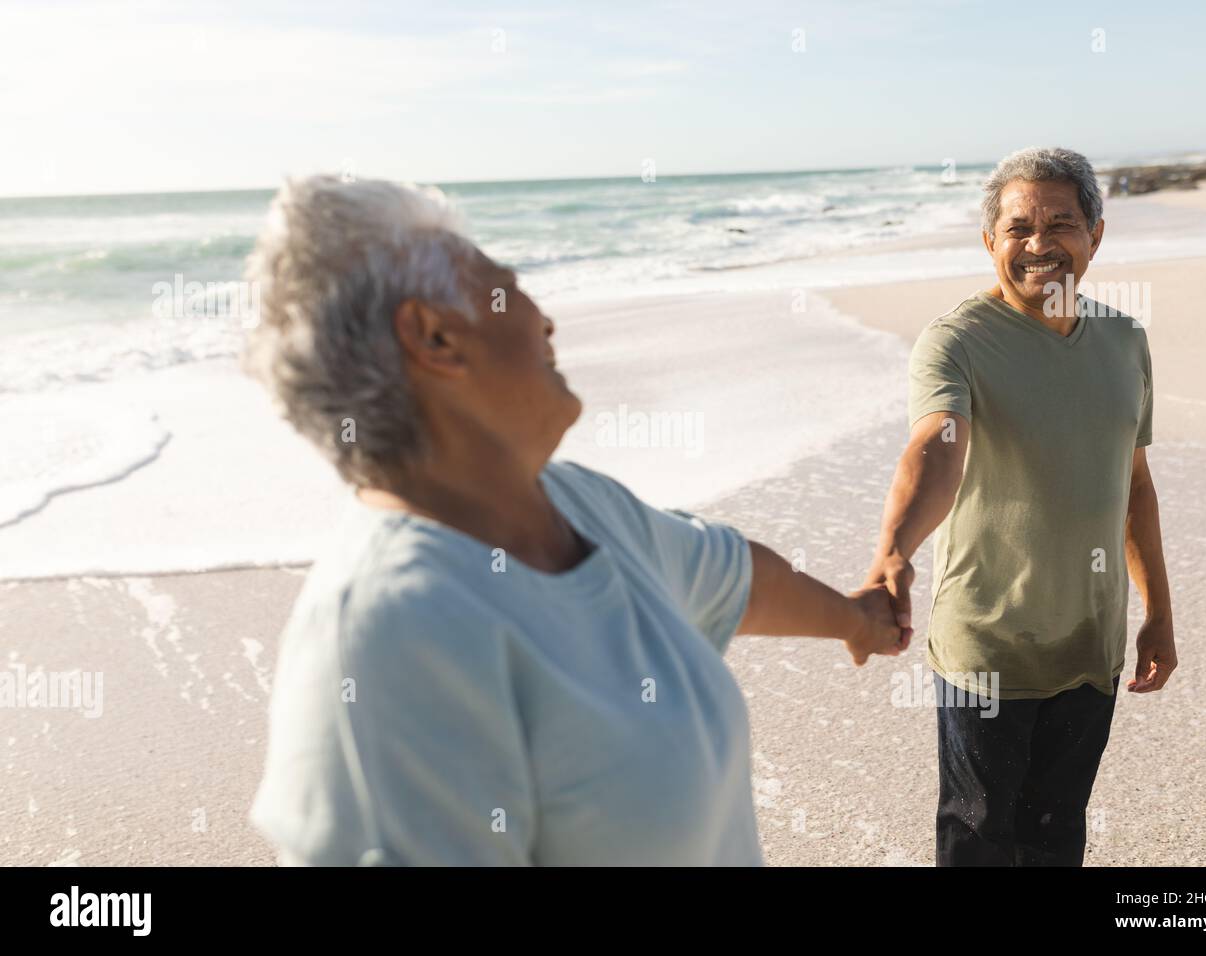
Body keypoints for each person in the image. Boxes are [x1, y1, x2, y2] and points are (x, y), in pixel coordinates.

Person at [243, 174, 904, 866]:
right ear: (434, 336)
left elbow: (733, 576)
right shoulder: (392, 630)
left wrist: (858, 620)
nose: (543, 320)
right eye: (504, 286)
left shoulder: (576, 504)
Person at [860, 147, 1177, 866]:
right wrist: (893, 550)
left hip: (1090, 645)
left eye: (1060, 224)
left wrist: (1157, 611)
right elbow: (935, 451)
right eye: (1017, 228)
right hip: (988, 648)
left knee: (1056, 836)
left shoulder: (1125, 341)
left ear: (1096, 235)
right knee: (977, 839)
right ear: (989, 243)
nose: (1039, 245)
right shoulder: (958, 342)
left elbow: (1134, 487)